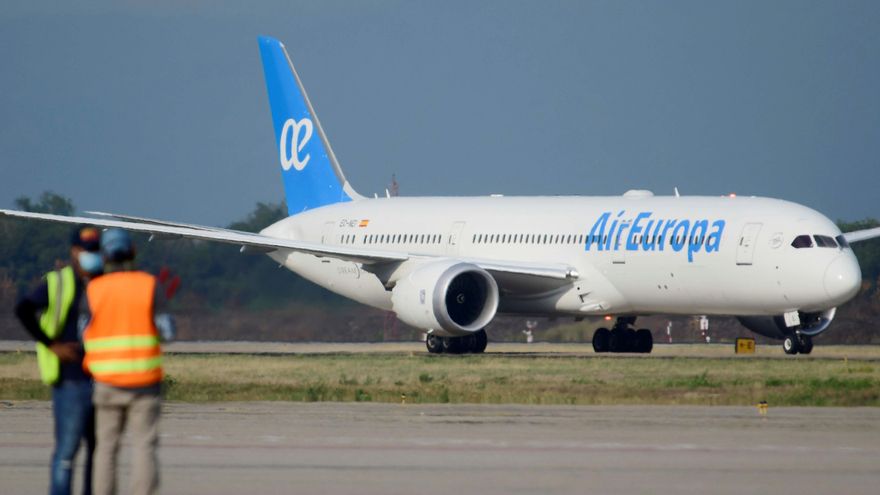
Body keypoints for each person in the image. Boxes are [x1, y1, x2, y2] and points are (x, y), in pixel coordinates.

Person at [83, 228, 174, 495]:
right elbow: (167, 331)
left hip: (106, 382)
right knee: (144, 446)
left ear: (104, 256)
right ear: (132, 251)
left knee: (106, 448)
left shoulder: (94, 289)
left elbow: (82, 333)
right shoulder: (148, 284)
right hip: (144, 381)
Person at [14, 225, 103, 495]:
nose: (91, 255)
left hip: (103, 379)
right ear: (74, 251)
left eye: (95, 250)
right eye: (86, 250)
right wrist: (51, 345)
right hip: (71, 379)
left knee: (98, 453)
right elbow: (23, 309)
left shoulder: (106, 282)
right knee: (66, 451)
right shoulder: (59, 282)